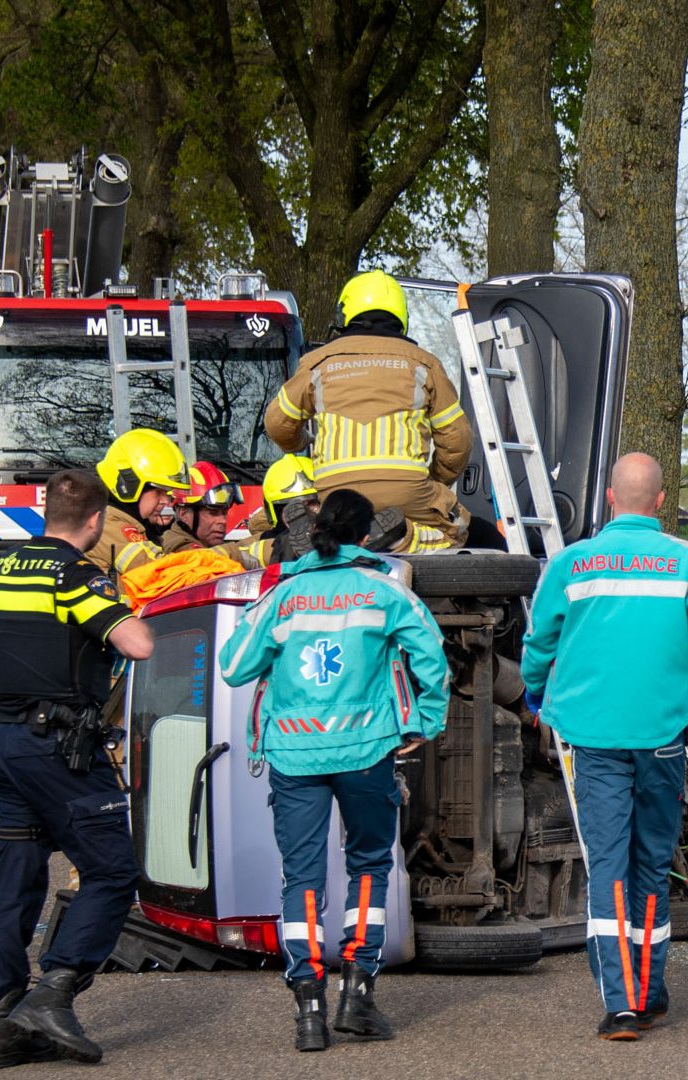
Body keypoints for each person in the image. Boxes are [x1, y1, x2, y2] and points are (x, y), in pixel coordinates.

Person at [219, 489, 449, 1052]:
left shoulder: (284, 595)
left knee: (301, 877)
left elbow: (233, 665)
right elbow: (432, 657)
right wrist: (425, 720)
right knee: (369, 864)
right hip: (367, 751)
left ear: (317, 530)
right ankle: (358, 996)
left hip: (294, 755)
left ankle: (308, 1009)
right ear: (367, 537)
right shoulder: (383, 591)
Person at [0, 469, 156, 1068]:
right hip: (59, 748)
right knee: (113, 870)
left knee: (18, 874)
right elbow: (137, 644)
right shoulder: (76, 576)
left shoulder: (0, 573)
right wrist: (130, 607)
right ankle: (52, 993)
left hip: (3, 743)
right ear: (95, 522)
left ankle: (1, 1023)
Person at [519, 452, 688, 1041]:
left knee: (608, 862)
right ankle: (651, 989)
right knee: (651, 862)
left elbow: (539, 639)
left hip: (594, 736)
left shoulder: (571, 563)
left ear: (610, 499)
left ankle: (621, 1003)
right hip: (662, 733)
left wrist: (537, 691)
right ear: (661, 501)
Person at [264, 270, 472, 552]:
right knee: (456, 527)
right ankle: (400, 536)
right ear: (402, 318)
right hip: (404, 489)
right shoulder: (424, 364)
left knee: (340, 529)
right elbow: (457, 441)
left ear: (344, 315)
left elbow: (277, 424)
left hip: (335, 493)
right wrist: (435, 481)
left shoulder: (316, 363)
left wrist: (301, 443)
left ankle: (320, 537)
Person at [91, 428, 190, 576]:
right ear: (128, 485)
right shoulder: (109, 526)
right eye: (158, 492)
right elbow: (160, 573)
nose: (166, 502)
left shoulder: (132, 524)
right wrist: (230, 553)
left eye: (167, 493)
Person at [161, 461, 242, 552]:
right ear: (184, 514)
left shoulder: (205, 544)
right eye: (213, 513)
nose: (222, 521)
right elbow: (204, 557)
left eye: (224, 513)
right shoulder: (176, 545)